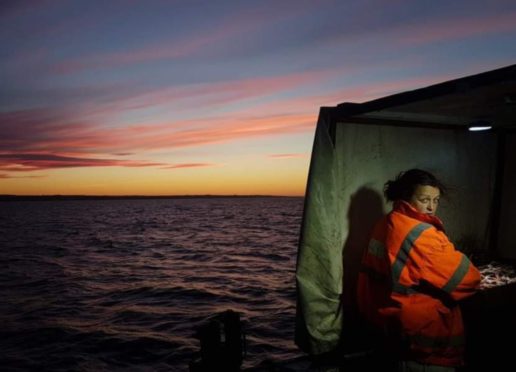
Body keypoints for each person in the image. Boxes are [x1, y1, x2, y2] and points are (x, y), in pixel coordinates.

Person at [357, 169, 481, 372]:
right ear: (406, 197)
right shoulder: (420, 235)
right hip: (426, 350)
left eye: (436, 200)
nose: (432, 207)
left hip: (393, 335)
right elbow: (469, 279)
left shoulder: (386, 223)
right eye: (424, 200)